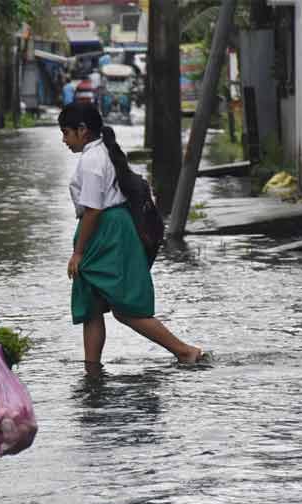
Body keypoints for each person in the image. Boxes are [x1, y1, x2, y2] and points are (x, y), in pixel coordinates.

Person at [58, 102, 208, 371]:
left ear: (82, 131)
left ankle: (185, 351)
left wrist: (78, 252)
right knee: (90, 303)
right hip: (108, 230)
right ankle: (92, 370)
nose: (64, 140)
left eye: (66, 132)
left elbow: (93, 210)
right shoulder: (101, 152)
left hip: (105, 232)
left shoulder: (93, 160)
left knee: (125, 307)